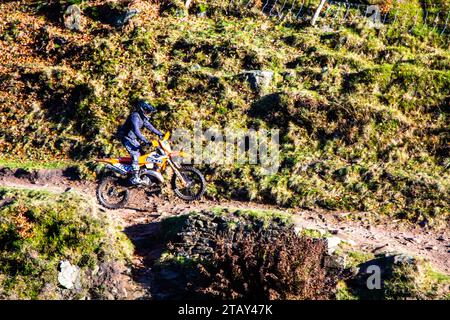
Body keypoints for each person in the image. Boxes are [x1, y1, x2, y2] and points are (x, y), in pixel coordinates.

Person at [117, 99, 163, 185]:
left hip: (133, 139)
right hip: (126, 138)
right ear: (142, 109)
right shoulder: (134, 116)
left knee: (144, 155)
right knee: (135, 154)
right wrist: (145, 140)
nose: (149, 113)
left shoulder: (142, 118)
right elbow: (136, 130)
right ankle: (135, 177)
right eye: (148, 111)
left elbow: (150, 127)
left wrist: (160, 134)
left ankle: (141, 174)